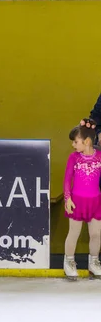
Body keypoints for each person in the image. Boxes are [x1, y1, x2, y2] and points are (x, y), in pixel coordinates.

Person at [63, 119, 101, 280]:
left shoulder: (100, 156)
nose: (73, 145)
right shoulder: (74, 157)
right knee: (74, 233)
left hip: (95, 201)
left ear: (86, 141)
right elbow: (67, 179)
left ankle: (94, 262)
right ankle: (69, 262)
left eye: (75, 141)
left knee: (96, 234)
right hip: (77, 201)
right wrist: (67, 198)